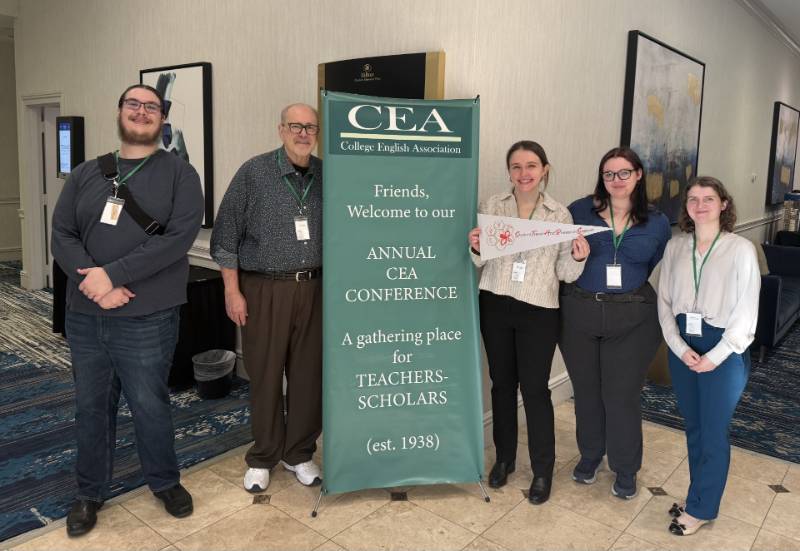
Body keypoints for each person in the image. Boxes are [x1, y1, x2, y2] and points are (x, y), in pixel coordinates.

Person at [51, 84, 204, 537]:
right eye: (133, 104)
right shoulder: (85, 173)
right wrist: (94, 283)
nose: (141, 112)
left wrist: (112, 275)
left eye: (150, 106)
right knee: (91, 406)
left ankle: (164, 482)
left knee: (149, 404)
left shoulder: (180, 174)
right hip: (87, 313)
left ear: (163, 117)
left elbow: (177, 239)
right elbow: (62, 233)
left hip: (147, 316)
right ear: (119, 112)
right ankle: (89, 491)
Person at [468, 140, 590, 504]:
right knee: (501, 385)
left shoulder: (560, 215)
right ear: (509, 172)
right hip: (495, 303)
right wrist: (475, 247)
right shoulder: (492, 206)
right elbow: (479, 261)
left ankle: (542, 470)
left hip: (539, 309)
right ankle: (504, 458)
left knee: (535, 390)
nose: (524, 174)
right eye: (517, 166)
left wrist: (580, 258)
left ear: (544, 170)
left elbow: (565, 273)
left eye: (531, 166)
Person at [210, 103, 322, 493]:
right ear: (281, 130)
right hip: (263, 289)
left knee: (309, 377)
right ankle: (264, 455)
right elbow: (224, 237)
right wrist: (232, 290)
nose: (303, 133)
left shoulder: (327, 175)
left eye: (311, 127)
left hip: (315, 289)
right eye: (296, 126)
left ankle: (299, 453)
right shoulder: (254, 173)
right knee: (266, 375)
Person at [560, 146, 671, 499]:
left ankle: (625, 468)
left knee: (621, 396)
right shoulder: (579, 210)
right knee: (587, 392)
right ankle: (591, 455)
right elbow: (563, 257)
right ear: (601, 178)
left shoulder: (657, 221)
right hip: (579, 312)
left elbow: (653, 261)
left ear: (638, 175)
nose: (616, 180)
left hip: (632, 318)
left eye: (624, 172)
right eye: (609, 174)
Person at [657, 177, 759, 536]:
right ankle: (697, 494)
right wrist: (680, 347)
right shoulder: (675, 247)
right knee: (694, 426)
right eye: (693, 199)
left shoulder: (740, 249)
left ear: (723, 205)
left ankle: (701, 508)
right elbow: (665, 303)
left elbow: (746, 314)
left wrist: (715, 356)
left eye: (709, 198)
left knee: (714, 431)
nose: (700, 205)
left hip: (725, 349)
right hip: (684, 345)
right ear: (686, 207)